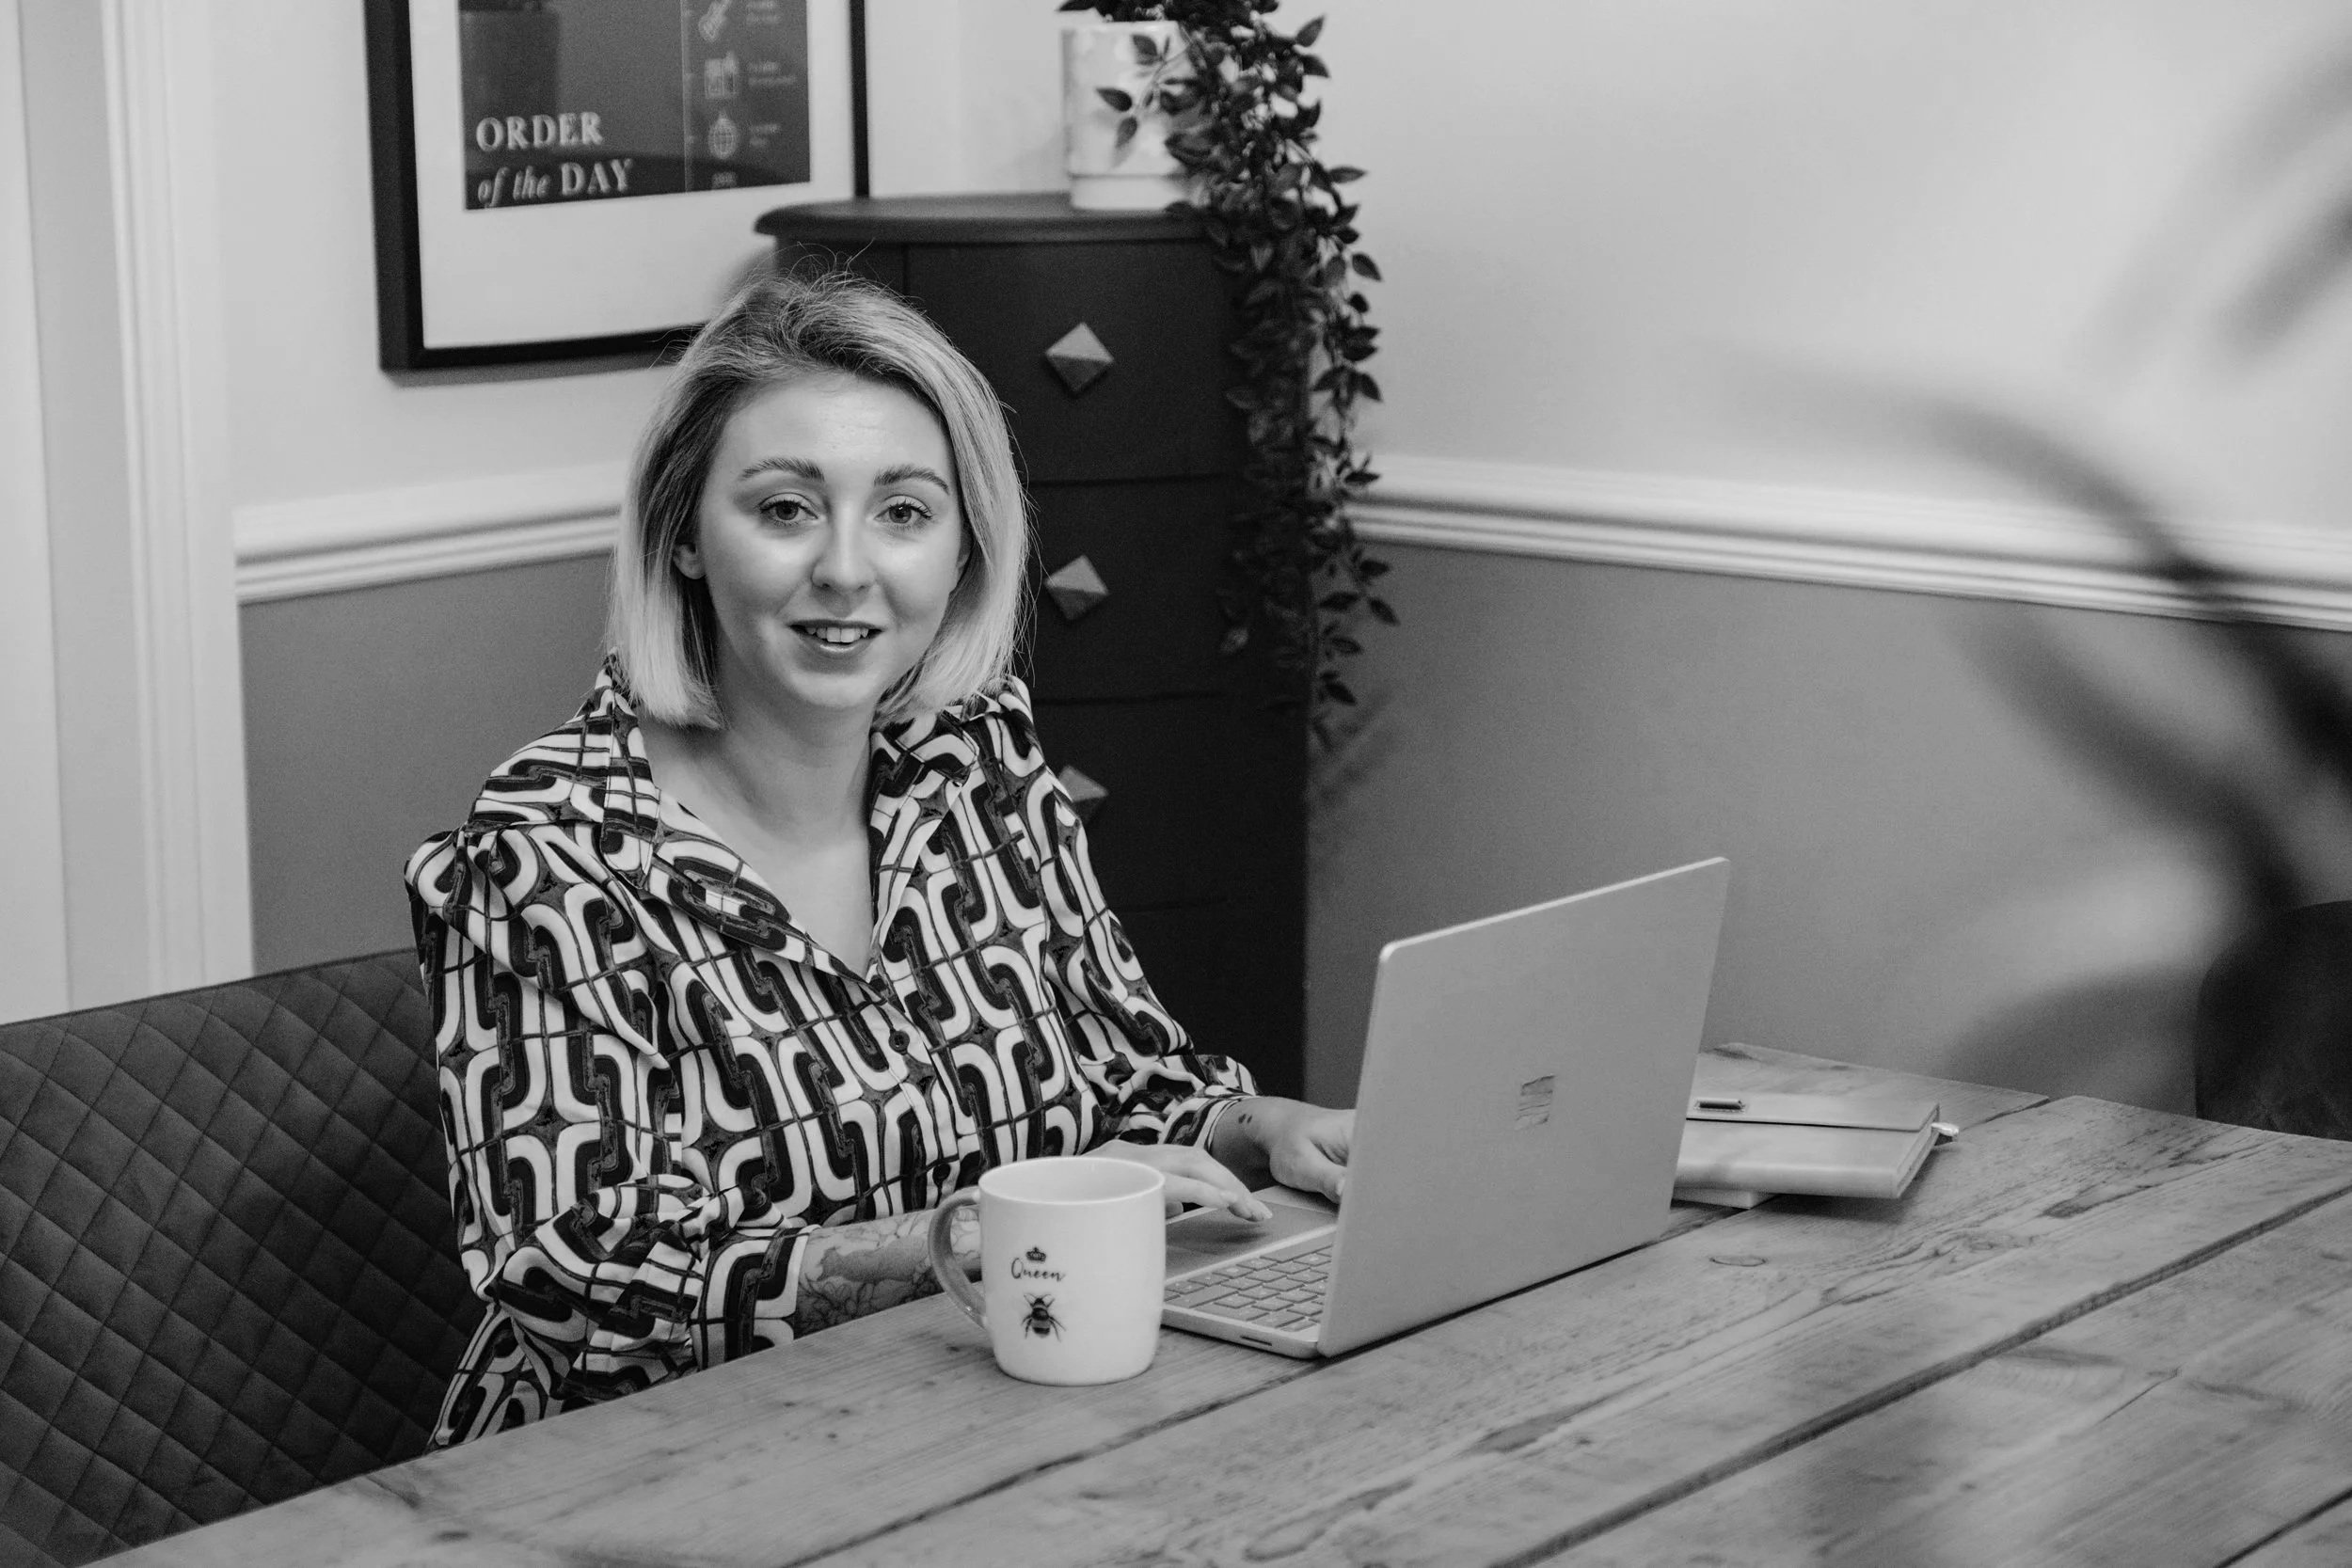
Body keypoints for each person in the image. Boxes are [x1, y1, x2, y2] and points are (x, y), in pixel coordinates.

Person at [405, 270, 1354, 1446]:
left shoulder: (978, 765)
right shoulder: (547, 851)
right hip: (640, 1466)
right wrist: (968, 1237)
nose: (848, 569)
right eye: (786, 508)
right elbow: (579, 1274)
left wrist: (1265, 1128)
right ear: (684, 537)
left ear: (964, 547)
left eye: (903, 511)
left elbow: (1125, 1081)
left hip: (971, 1409)